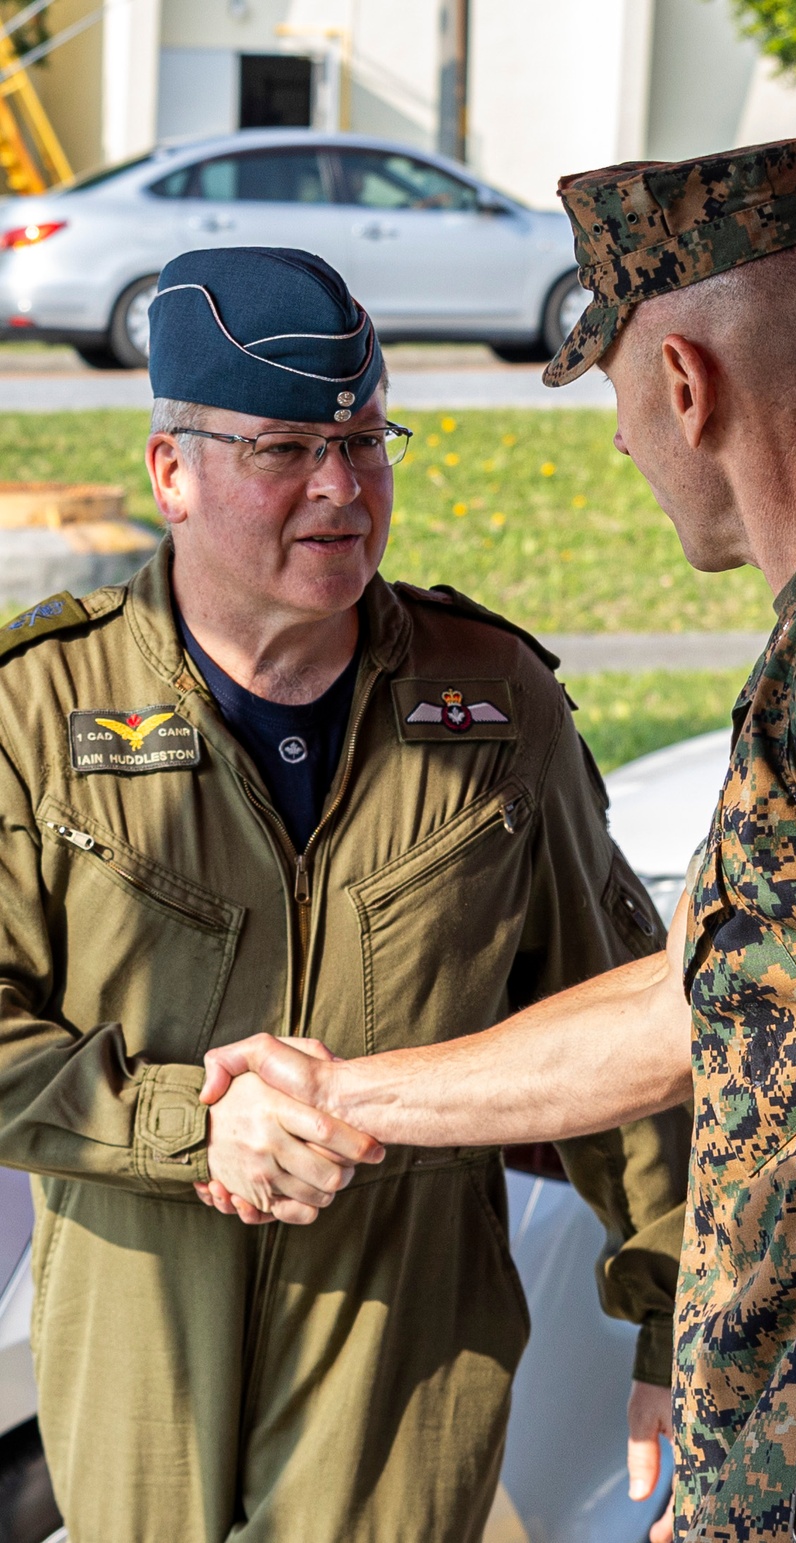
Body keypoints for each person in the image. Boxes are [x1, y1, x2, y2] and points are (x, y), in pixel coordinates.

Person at [204, 131, 796, 1543]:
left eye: (620, 395)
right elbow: (703, 990)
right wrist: (351, 1095)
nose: (625, 440)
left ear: (684, 385)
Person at [0, 246, 690, 1543]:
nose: (340, 488)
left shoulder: (494, 710)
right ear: (172, 474)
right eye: (282, 449)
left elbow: (622, 1019)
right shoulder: (37, 714)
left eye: (367, 441)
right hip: (142, 1354)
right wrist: (192, 1127)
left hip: (407, 1356)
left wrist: (674, 1320)